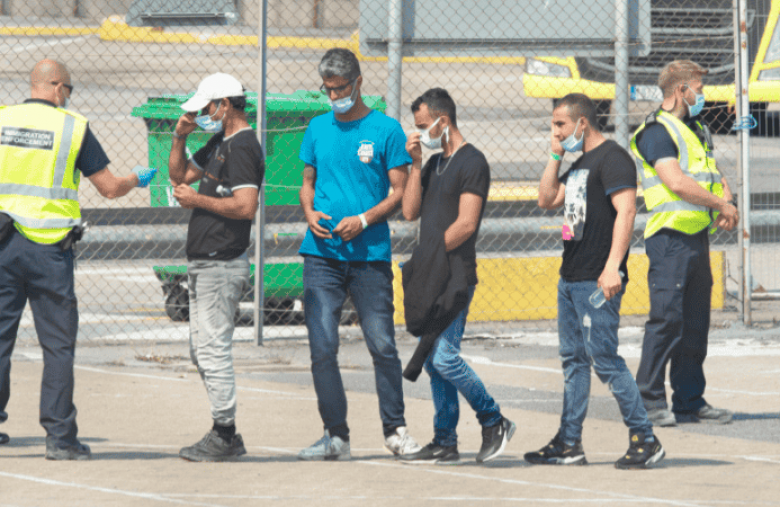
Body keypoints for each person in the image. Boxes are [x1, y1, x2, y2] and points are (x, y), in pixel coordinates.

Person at [0, 59, 156, 459]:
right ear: (57, 87)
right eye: (69, 90)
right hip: (49, 250)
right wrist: (136, 179)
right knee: (57, 345)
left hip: (3, 245)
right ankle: (59, 438)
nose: (69, 97)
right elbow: (108, 188)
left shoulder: (2, 119)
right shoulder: (72, 128)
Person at [524, 93, 665, 470]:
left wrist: (613, 266)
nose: (556, 131)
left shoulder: (613, 158)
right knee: (574, 361)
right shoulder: (580, 164)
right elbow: (546, 198)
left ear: (582, 123)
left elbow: (627, 211)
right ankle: (569, 442)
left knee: (604, 358)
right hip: (570, 277)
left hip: (597, 279)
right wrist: (555, 155)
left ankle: (645, 438)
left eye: (560, 125)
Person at [297, 48, 420, 461]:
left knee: (382, 344)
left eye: (340, 88)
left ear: (358, 83)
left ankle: (395, 430)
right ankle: (336, 436)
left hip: (369, 255)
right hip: (321, 254)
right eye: (328, 90)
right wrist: (309, 212)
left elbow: (399, 192)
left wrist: (364, 220)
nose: (334, 96)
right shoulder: (317, 127)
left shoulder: (385, 129)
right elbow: (307, 183)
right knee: (322, 346)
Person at [397, 88, 514, 465]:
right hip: (433, 273)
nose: (419, 133)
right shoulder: (433, 164)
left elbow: (466, 224)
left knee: (445, 358)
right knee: (434, 362)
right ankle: (445, 439)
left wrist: (428, 256)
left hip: (455, 275)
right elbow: (409, 212)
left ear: (442, 121)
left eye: (423, 126)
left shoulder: (472, 162)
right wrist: (415, 164)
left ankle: (493, 419)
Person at [631, 60, 738, 427]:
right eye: (698, 89)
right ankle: (648, 402)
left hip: (696, 237)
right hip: (669, 239)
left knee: (695, 322)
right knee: (667, 320)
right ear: (680, 91)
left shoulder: (695, 128)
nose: (702, 96)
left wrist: (726, 197)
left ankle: (689, 401)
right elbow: (676, 182)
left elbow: (711, 171)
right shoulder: (656, 132)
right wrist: (720, 204)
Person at [168, 72, 264, 461]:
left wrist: (197, 201)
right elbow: (179, 176)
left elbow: (245, 206)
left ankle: (225, 433)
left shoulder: (242, 146)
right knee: (201, 351)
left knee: (212, 351)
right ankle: (224, 430)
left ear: (225, 105)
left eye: (206, 108)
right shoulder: (220, 141)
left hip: (221, 263)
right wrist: (179, 136)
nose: (202, 115)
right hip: (205, 262)